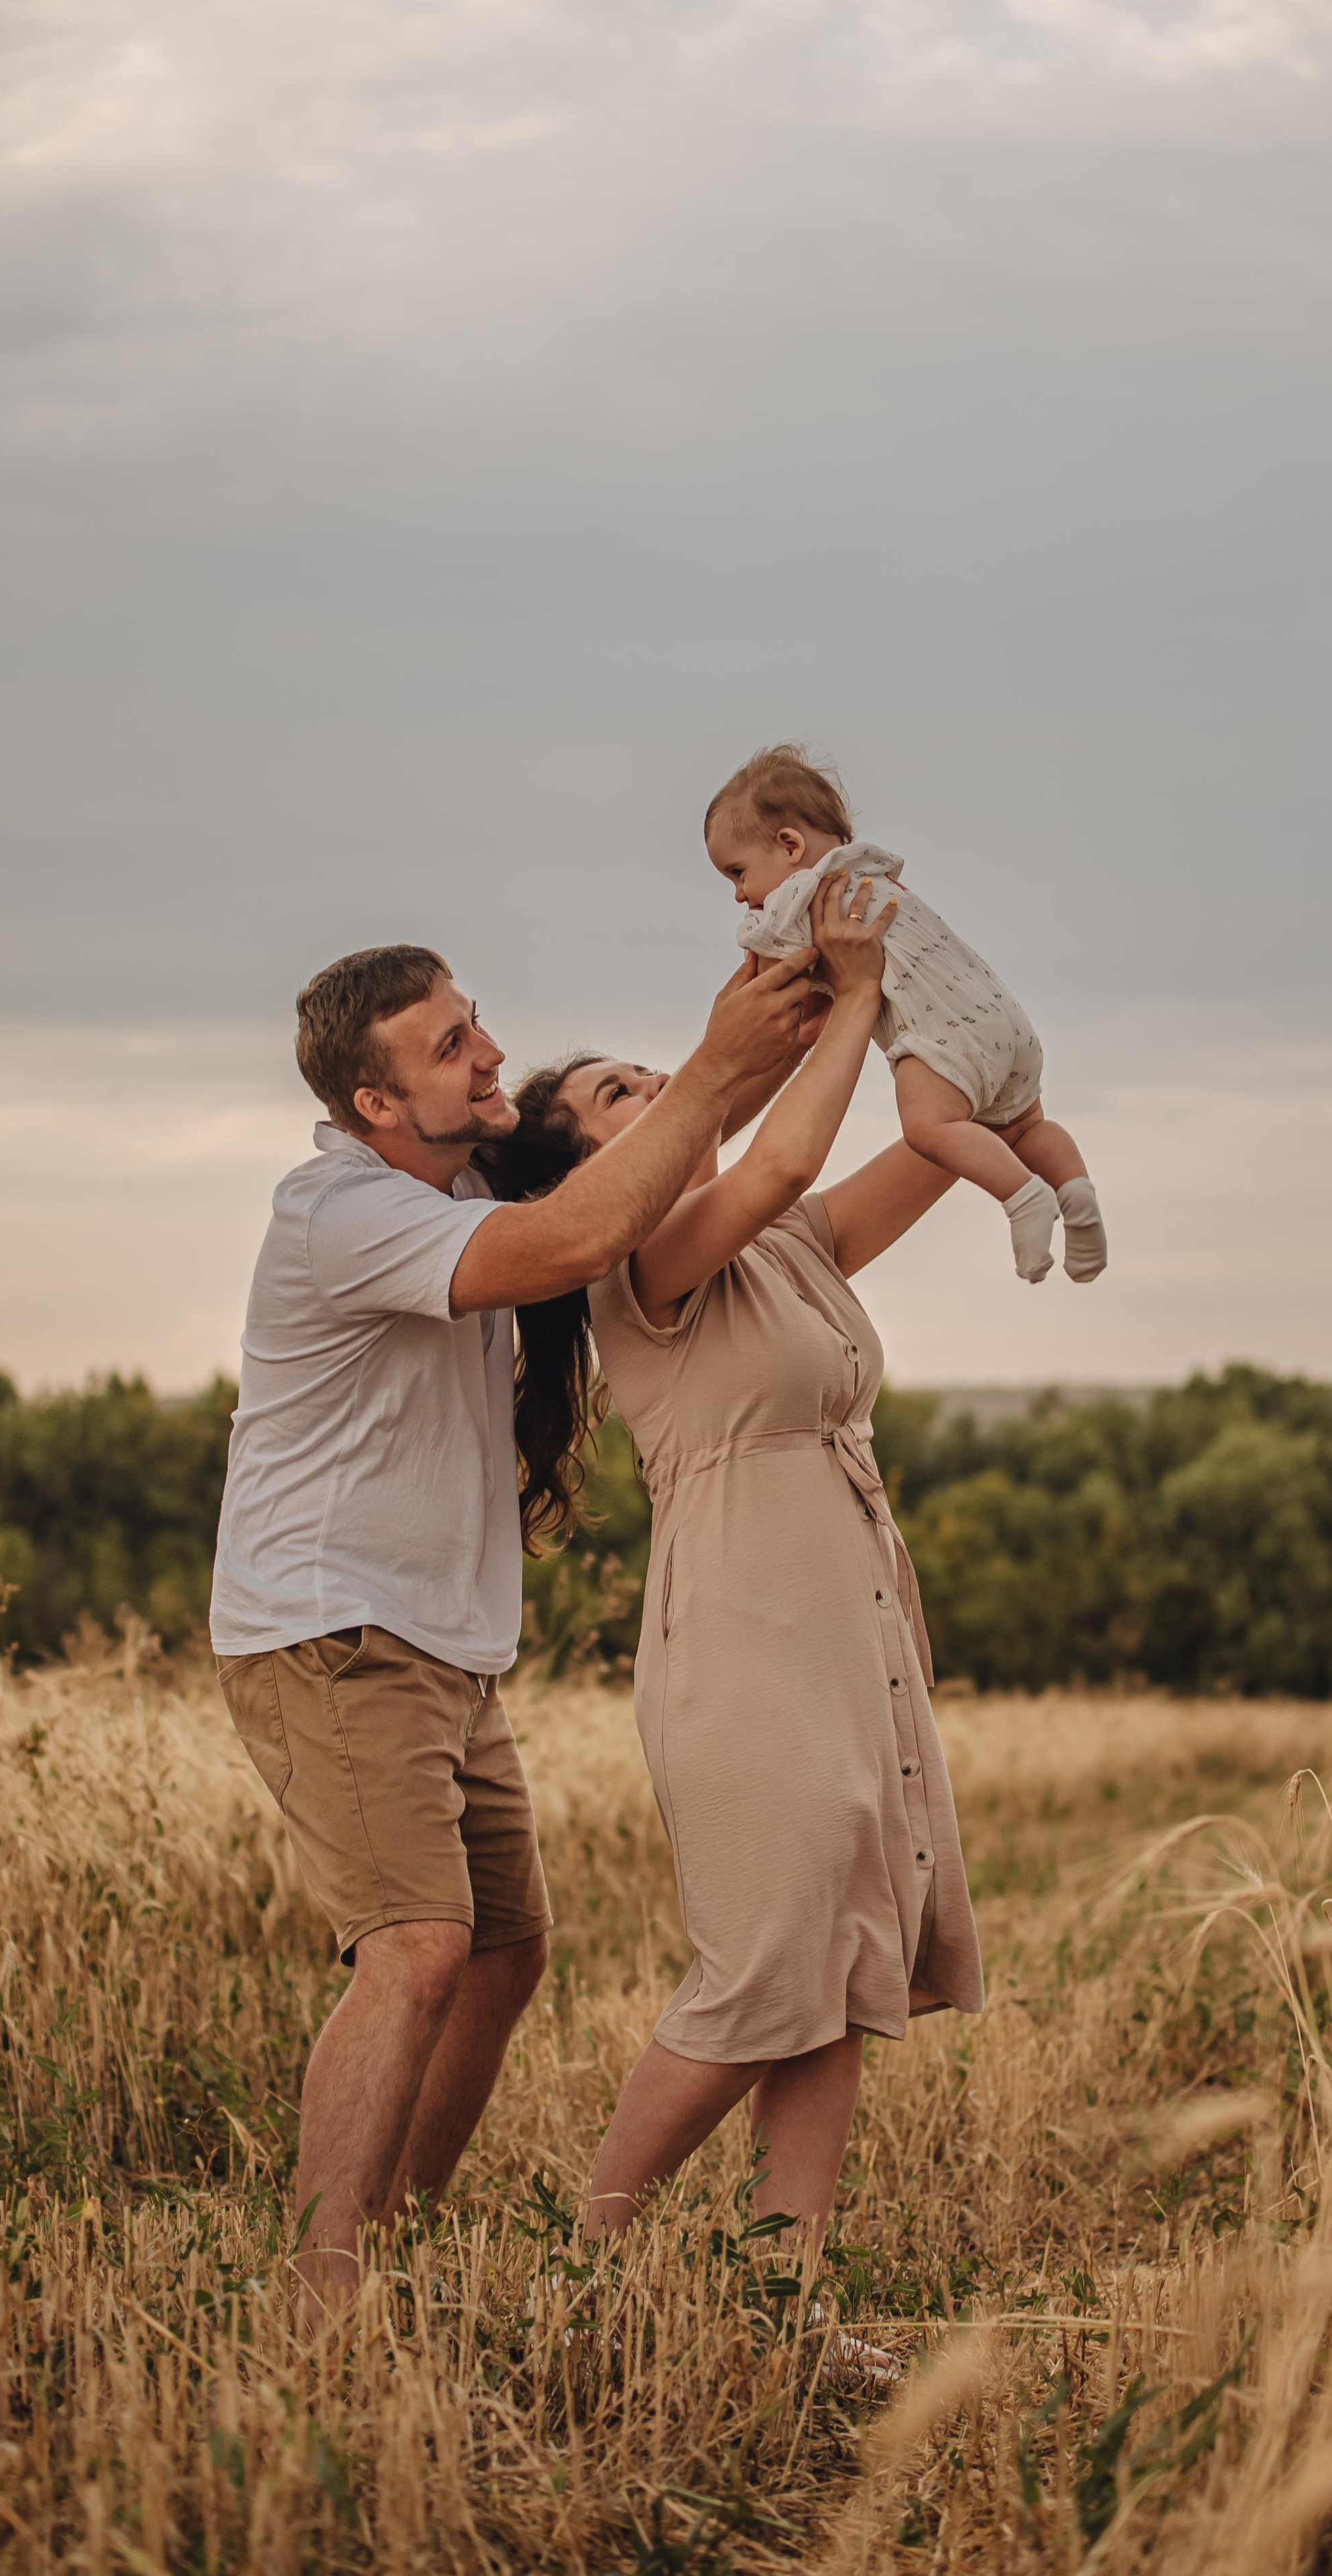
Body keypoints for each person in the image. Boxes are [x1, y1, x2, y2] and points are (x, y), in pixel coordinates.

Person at [209, 936, 820, 2328]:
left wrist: (801, 1014)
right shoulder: (343, 1210)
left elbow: (640, 1166)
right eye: (447, 1047)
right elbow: (574, 1237)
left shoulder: (454, 1182)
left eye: (474, 1027)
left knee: (503, 1950)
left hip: (440, 1645)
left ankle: (399, 2233)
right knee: (418, 1949)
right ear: (374, 1105)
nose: (485, 1055)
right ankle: (320, 2303)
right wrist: (720, 1066)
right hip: (330, 1629)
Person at [478, 874, 986, 2304]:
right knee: (762, 1970)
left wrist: (932, 1012)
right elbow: (764, 1161)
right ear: (585, 1163)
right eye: (622, 1092)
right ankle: (576, 2274)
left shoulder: (784, 1242)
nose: (663, 1088)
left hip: (851, 1630)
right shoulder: (644, 1260)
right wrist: (858, 996)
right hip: (745, 1646)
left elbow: (937, 1147)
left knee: (840, 1976)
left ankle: (780, 2306)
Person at [707, 742, 1108, 1288]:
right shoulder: (876, 874)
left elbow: (769, 953)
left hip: (942, 1035)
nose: (738, 895)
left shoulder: (809, 892)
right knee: (1026, 1125)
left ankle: (1022, 1197)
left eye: (738, 872)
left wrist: (751, 959)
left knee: (928, 1128)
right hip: (1004, 1019)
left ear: (790, 846)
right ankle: (1076, 1192)